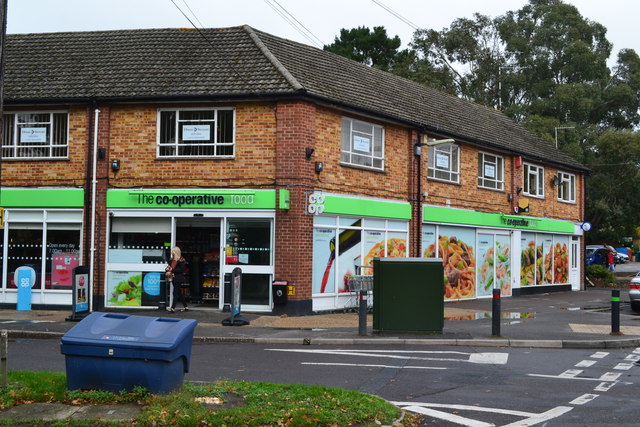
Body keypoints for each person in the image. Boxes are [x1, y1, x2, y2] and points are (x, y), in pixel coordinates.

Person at [165, 246, 189, 312]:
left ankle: (172, 308)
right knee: (179, 293)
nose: (171, 252)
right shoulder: (171, 260)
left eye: (173, 251)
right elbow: (168, 267)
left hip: (178, 278)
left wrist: (172, 269)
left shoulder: (181, 260)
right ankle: (186, 307)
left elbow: (181, 270)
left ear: (176, 252)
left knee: (175, 292)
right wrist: (167, 269)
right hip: (173, 278)